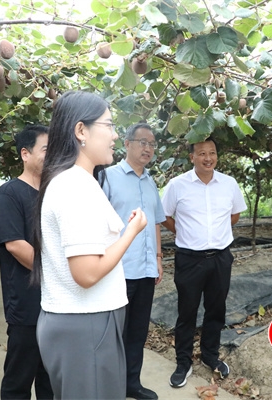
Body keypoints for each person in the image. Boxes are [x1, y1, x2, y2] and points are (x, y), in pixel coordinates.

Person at [32, 91, 147, 399]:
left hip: (84, 322)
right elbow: (86, 273)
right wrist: (131, 232)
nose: (114, 135)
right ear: (81, 131)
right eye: (108, 125)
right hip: (86, 324)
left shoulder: (75, 181)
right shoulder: (74, 186)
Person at [161, 137, 247, 388]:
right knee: (186, 312)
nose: (208, 158)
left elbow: (235, 214)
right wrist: (183, 232)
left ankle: (210, 355)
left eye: (212, 153)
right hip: (189, 259)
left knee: (216, 310)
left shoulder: (229, 184)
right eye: (201, 153)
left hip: (220, 257)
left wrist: (216, 233)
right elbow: (164, 215)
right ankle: (183, 361)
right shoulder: (177, 185)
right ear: (192, 157)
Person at [100, 122, 165, 400]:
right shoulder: (107, 177)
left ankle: (131, 383)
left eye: (152, 144)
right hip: (119, 270)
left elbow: (156, 223)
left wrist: (159, 258)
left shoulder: (150, 182)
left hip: (146, 270)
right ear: (126, 144)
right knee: (114, 332)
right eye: (143, 142)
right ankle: (110, 385)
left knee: (138, 331)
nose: (148, 148)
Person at [0, 125, 53, 399]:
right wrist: (55, 272)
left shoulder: (52, 192)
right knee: (19, 377)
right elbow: (16, 245)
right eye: (45, 149)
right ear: (25, 154)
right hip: (27, 302)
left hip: (55, 301)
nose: (52, 155)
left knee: (50, 377)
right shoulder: (10, 193)